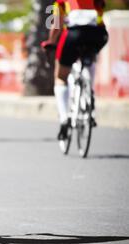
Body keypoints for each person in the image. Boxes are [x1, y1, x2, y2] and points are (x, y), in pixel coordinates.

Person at [42, 0, 108, 140]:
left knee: (60, 77)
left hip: (74, 34)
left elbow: (56, 27)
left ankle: (64, 118)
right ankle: (89, 95)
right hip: (99, 35)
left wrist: (50, 42)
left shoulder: (60, 2)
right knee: (90, 58)